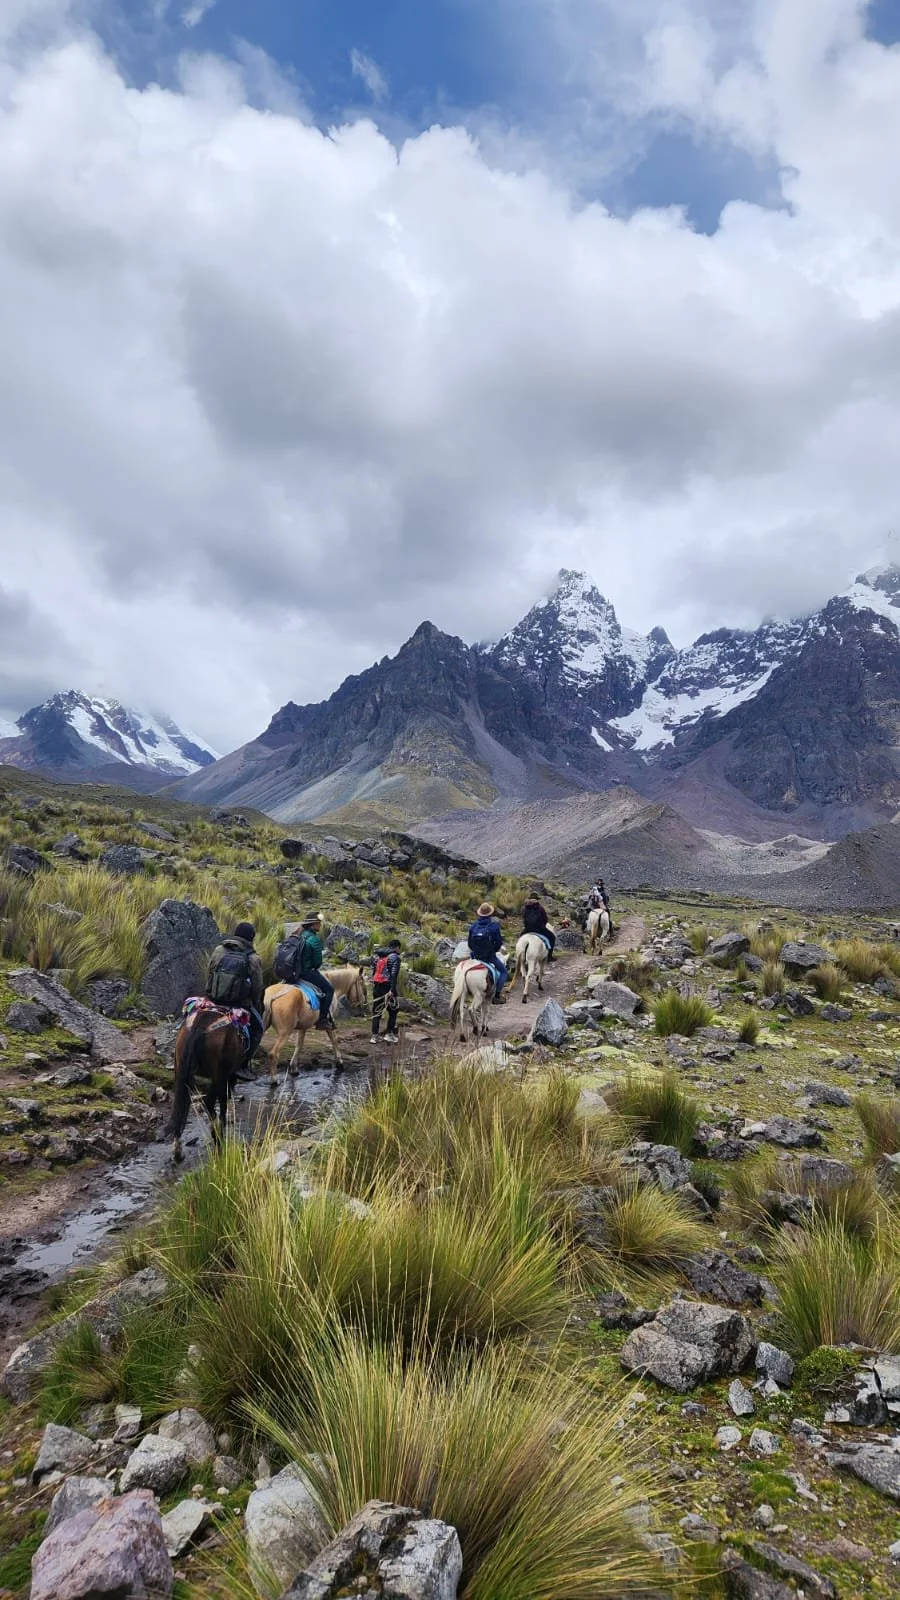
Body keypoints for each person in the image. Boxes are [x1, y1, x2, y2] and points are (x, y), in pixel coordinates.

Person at [206, 920, 265, 1070]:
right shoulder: (253, 958)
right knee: (258, 1029)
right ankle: (243, 1064)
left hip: (214, 1000)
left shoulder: (219, 950)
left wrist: (210, 995)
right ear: (251, 938)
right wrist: (256, 1005)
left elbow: (210, 973)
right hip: (239, 1004)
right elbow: (257, 988)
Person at [294, 913, 334, 1029]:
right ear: (312, 925)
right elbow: (317, 963)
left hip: (294, 972)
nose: (320, 925)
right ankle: (322, 1019)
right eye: (318, 923)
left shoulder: (299, 935)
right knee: (329, 990)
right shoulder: (314, 939)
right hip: (307, 972)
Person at [468, 901, 507, 1004]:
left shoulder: (473, 926)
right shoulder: (494, 926)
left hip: (475, 956)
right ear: (490, 914)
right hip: (489, 957)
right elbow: (498, 943)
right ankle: (497, 996)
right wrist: (492, 951)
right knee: (503, 972)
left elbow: (470, 944)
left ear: (479, 913)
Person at [370, 939, 401, 1044]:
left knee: (377, 1011)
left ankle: (374, 1036)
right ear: (397, 947)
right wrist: (392, 990)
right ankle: (389, 1034)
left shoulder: (379, 956)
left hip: (377, 986)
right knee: (393, 1011)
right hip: (387, 987)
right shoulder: (395, 958)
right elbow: (394, 975)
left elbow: (373, 972)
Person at [522, 894, 556, 960]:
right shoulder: (540, 908)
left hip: (528, 929)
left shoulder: (525, 908)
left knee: (520, 938)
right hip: (540, 929)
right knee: (552, 937)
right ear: (537, 900)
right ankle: (549, 956)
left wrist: (527, 927)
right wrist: (542, 926)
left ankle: (519, 955)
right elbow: (545, 919)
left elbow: (524, 919)